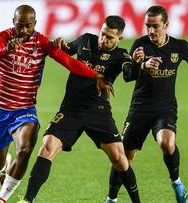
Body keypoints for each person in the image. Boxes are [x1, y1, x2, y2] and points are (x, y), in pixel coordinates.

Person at [0, 5, 113, 203]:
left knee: (26, 148)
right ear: (13, 23)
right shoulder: (3, 37)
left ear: (35, 24)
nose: (24, 30)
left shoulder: (41, 43)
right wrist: (7, 49)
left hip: (24, 109)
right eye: (20, 26)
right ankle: (3, 167)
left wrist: (95, 74)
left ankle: (1, 199)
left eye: (28, 26)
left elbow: (68, 61)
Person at [17, 16, 141, 203]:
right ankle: (27, 200)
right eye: (102, 34)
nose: (103, 40)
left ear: (119, 38)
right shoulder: (86, 40)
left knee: (120, 160)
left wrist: (138, 64)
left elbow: (129, 75)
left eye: (109, 38)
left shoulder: (121, 56)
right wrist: (60, 44)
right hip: (70, 109)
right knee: (47, 147)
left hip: (98, 111)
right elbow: (67, 49)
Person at [105, 5, 188, 203]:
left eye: (155, 26)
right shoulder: (140, 45)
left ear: (166, 25)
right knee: (123, 159)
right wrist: (141, 64)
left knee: (167, 143)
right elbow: (128, 76)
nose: (151, 30)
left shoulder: (179, 46)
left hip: (165, 109)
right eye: (148, 26)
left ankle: (176, 182)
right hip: (139, 110)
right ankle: (111, 199)